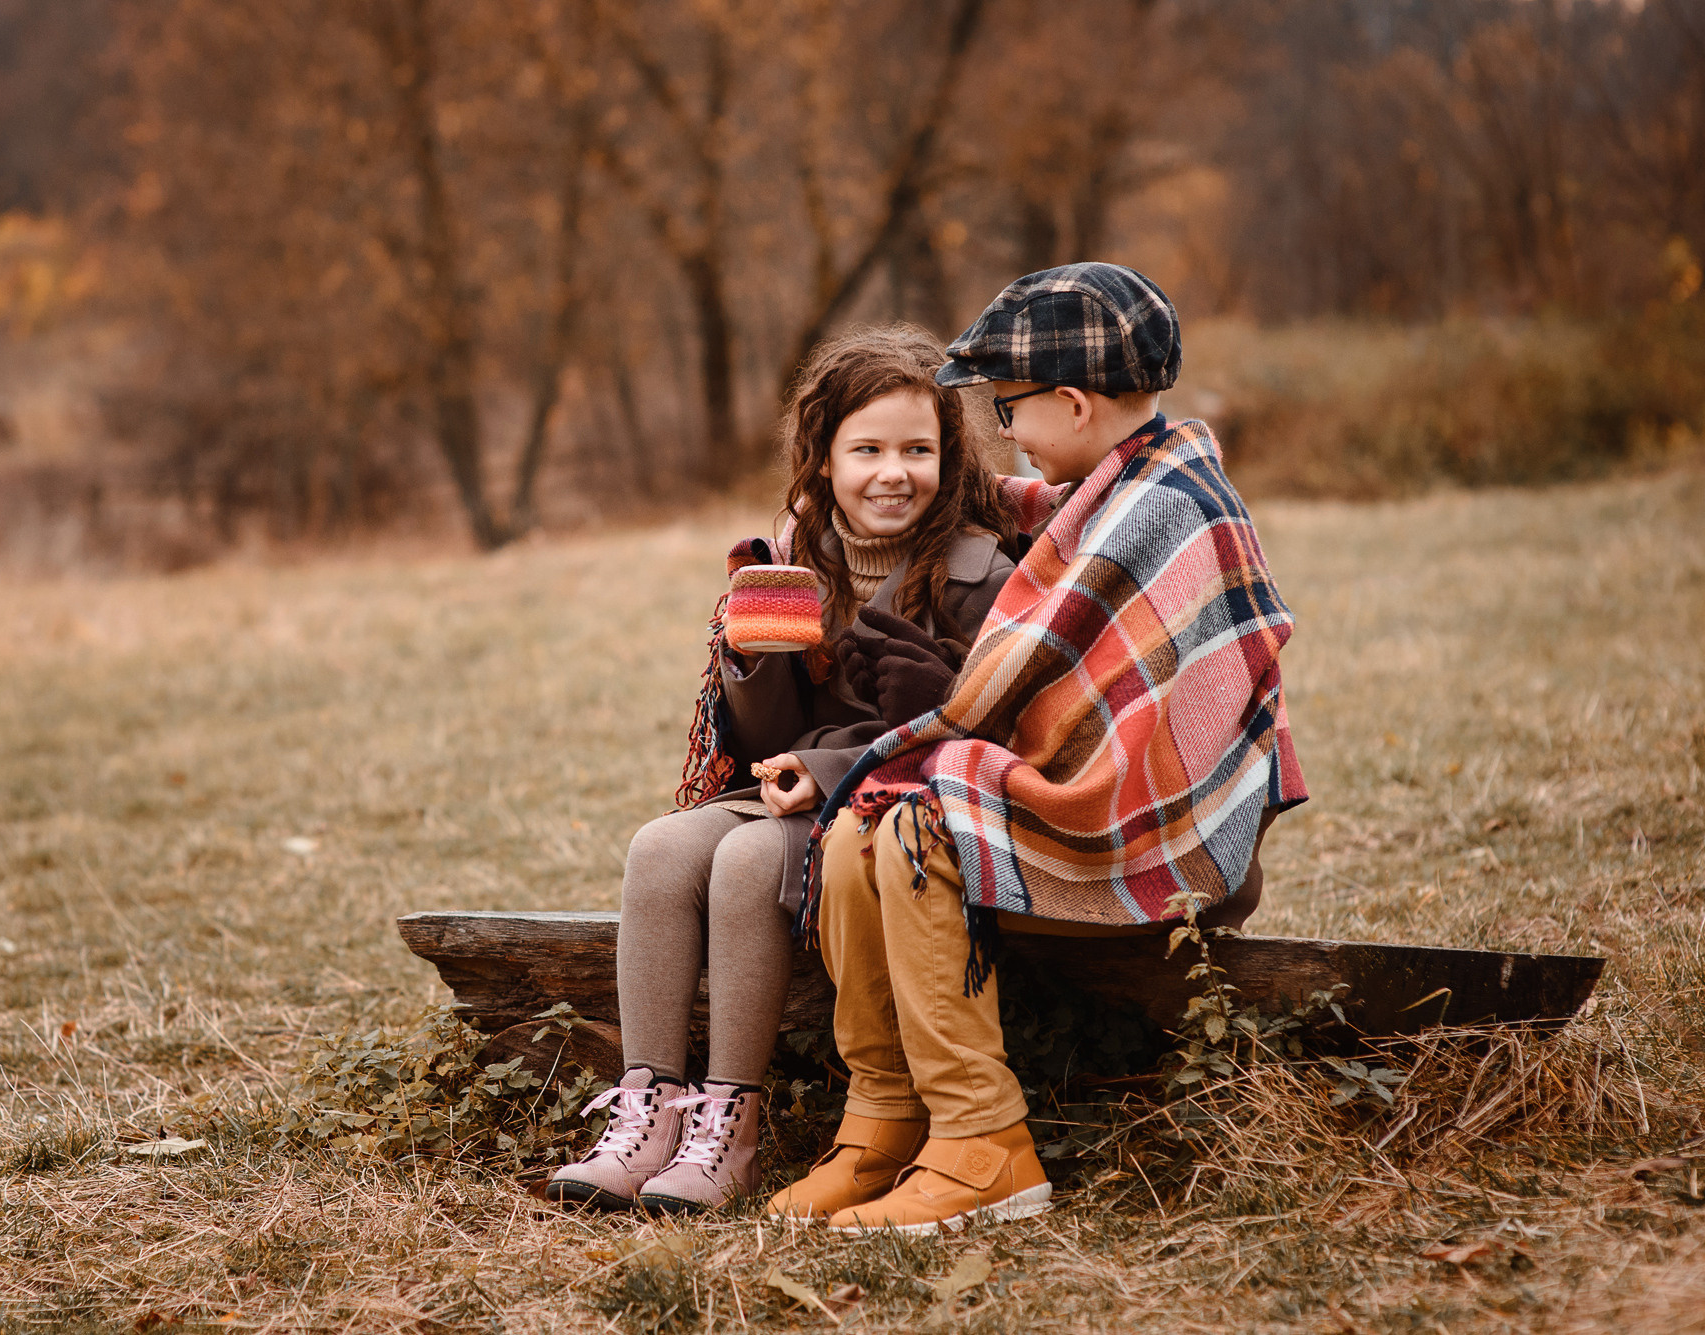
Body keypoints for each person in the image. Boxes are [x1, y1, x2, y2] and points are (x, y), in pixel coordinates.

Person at [770, 262, 1310, 1234]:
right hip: (1109, 807)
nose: (1003, 429)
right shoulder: (1125, 473)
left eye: (1007, 407)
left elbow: (1060, 697)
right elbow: (1001, 498)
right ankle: (884, 1116)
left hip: (1160, 840)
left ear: (1067, 402)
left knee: (914, 828)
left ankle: (984, 1144)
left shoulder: (1159, 512)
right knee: (862, 830)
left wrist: (945, 711)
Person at [544, 325, 1022, 1214]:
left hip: (892, 797)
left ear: (949, 459)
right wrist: (754, 652)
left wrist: (822, 765)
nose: (893, 471)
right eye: (867, 448)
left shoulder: (974, 572)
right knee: (659, 847)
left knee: (747, 861)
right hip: (787, 784)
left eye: (918, 450)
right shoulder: (802, 557)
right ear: (824, 457)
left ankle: (732, 1124)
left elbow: (956, 721)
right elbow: (761, 733)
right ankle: (648, 1110)